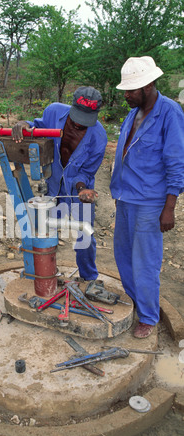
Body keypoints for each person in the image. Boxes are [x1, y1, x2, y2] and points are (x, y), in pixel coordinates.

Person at [110, 56, 184, 338]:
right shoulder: (133, 113)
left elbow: (177, 163)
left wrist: (170, 207)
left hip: (150, 202)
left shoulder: (170, 113)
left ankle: (149, 317)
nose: (126, 95)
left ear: (149, 85)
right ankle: (133, 304)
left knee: (145, 263)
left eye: (131, 90)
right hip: (126, 198)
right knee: (124, 257)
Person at [12, 86, 107, 281]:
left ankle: (89, 278)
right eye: (76, 119)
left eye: (85, 122)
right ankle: (45, 274)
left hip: (77, 191)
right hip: (52, 186)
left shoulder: (99, 138)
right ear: (71, 107)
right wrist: (23, 124)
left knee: (85, 236)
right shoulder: (54, 112)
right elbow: (35, 126)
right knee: (44, 231)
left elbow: (86, 171)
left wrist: (82, 189)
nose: (79, 125)